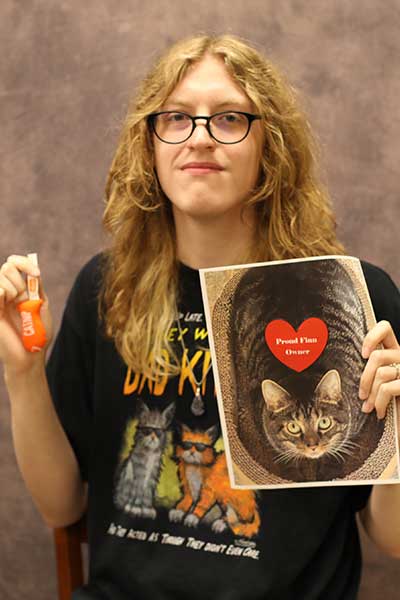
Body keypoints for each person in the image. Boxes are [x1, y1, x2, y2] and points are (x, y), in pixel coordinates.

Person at [1, 33, 400, 600]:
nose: (200, 138)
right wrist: (22, 377)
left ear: (271, 147)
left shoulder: (349, 300)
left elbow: (393, 537)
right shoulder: (107, 286)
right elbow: (61, 503)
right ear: (151, 144)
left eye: (230, 119)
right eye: (177, 118)